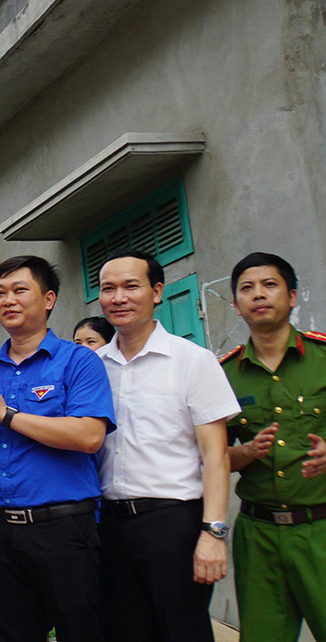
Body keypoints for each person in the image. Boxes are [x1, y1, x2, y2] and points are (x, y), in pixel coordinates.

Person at [0, 255, 115, 642]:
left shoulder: (79, 361)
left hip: (64, 529)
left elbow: (88, 435)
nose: (7, 300)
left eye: (19, 290)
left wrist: (6, 414)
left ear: (48, 299)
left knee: (83, 632)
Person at [93, 249, 238, 642]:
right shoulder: (93, 367)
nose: (118, 297)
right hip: (109, 524)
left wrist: (213, 532)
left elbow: (215, 455)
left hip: (174, 522)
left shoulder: (193, 361)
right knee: (123, 630)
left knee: (182, 630)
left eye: (130, 286)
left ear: (157, 291)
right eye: (108, 289)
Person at [221, 252, 326, 642]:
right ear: (236, 305)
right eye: (247, 289)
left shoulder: (323, 358)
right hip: (258, 534)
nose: (258, 295)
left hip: (321, 528)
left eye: (270, 285)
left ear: (293, 296)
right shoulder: (224, 374)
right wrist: (246, 453)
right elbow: (213, 458)